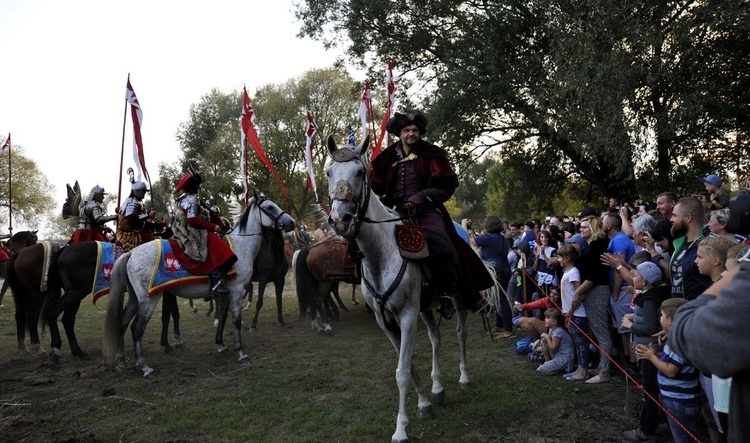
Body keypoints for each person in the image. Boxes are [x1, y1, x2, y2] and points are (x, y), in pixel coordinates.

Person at [370, 109, 493, 319]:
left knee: (441, 244)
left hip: (425, 209)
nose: (411, 133)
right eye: (407, 130)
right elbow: (375, 185)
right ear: (400, 133)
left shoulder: (432, 153)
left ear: (420, 133)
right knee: (364, 240)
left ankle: (445, 293)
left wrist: (420, 198)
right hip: (393, 210)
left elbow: (445, 186)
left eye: (415, 130)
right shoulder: (386, 157)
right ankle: (373, 289)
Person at [636, 297, 701, 443]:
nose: (660, 318)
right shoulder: (677, 337)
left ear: (670, 319)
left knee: (684, 438)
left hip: (680, 401)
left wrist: (652, 357)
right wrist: (655, 355)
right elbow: (674, 361)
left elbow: (671, 370)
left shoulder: (677, 341)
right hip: (678, 400)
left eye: (662, 316)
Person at [620, 261, 670, 442]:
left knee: (650, 390)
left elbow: (649, 326)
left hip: (649, 350)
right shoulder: (652, 295)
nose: (632, 278)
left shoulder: (648, 299)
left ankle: (647, 431)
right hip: (649, 349)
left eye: (634, 275)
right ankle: (660, 420)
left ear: (645, 280)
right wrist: (634, 316)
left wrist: (630, 325)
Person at [170, 172, 237, 295]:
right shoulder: (191, 199)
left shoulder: (183, 198)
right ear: (193, 187)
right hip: (192, 231)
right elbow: (193, 220)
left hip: (183, 229)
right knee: (221, 248)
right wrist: (213, 227)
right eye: (197, 186)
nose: (199, 188)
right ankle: (216, 283)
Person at [572, 214, 614, 384]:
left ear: (593, 228)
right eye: (580, 227)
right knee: (597, 331)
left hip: (597, 290)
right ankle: (602, 365)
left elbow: (595, 275)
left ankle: (605, 372)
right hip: (591, 290)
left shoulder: (598, 246)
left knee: (602, 332)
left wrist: (578, 291)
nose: (580, 230)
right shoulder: (591, 245)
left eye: (584, 227)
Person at [464, 216, 513, 338]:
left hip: (496, 271)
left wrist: (464, 226)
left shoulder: (489, 238)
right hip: (505, 270)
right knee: (497, 298)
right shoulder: (502, 238)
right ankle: (499, 324)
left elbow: (471, 241)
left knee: (501, 300)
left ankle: (508, 329)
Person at [557, 244, 590, 381]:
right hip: (571, 313)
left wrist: (571, 310)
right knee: (577, 342)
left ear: (567, 258)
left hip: (578, 314)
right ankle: (579, 368)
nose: (558, 260)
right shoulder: (567, 272)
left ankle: (583, 370)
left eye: (560, 257)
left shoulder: (574, 273)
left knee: (581, 342)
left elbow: (580, 294)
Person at [670, 197, 712, 300]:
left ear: (688, 217)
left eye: (675, 215)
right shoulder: (679, 244)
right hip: (681, 312)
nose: (671, 219)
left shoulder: (709, 244)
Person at [116, 181, 163, 252]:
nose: (144, 193)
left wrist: (157, 225)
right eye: (143, 191)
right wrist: (148, 215)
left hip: (136, 233)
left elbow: (142, 224)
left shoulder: (137, 202)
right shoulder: (131, 202)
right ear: (136, 191)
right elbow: (131, 219)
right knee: (154, 247)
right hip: (129, 235)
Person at [532, 308, 575, 376]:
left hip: (565, 359)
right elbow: (548, 342)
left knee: (540, 369)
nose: (545, 319)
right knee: (543, 341)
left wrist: (547, 337)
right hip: (558, 355)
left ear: (554, 322)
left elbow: (553, 348)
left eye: (547, 318)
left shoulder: (558, 332)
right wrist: (539, 340)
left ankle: (560, 369)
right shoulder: (551, 329)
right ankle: (548, 362)